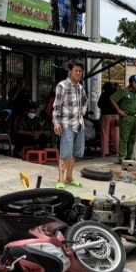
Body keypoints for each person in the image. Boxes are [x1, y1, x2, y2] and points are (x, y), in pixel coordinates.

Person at [52, 60, 87, 189]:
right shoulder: (62, 86)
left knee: (74, 153)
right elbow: (56, 106)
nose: (78, 73)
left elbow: (85, 101)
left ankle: (69, 177)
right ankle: (60, 179)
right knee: (65, 153)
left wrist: (83, 111)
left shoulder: (80, 87)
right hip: (66, 124)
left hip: (79, 124)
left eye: (80, 71)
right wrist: (56, 122)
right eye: (76, 70)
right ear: (70, 71)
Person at [110, 75, 136, 164]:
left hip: (135, 117)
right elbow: (112, 99)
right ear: (131, 82)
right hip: (126, 118)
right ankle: (122, 158)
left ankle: (128, 157)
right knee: (124, 138)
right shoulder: (124, 91)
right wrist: (119, 110)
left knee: (133, 139)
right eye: (135, 82)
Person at [97, 82, 120, 157]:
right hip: (116, 116)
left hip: (106, 116)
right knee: (116, 134)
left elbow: (99, 105)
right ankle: (117, 151)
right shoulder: (116, 94)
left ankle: (104, 152)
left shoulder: (104, 94)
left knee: (105, 134)